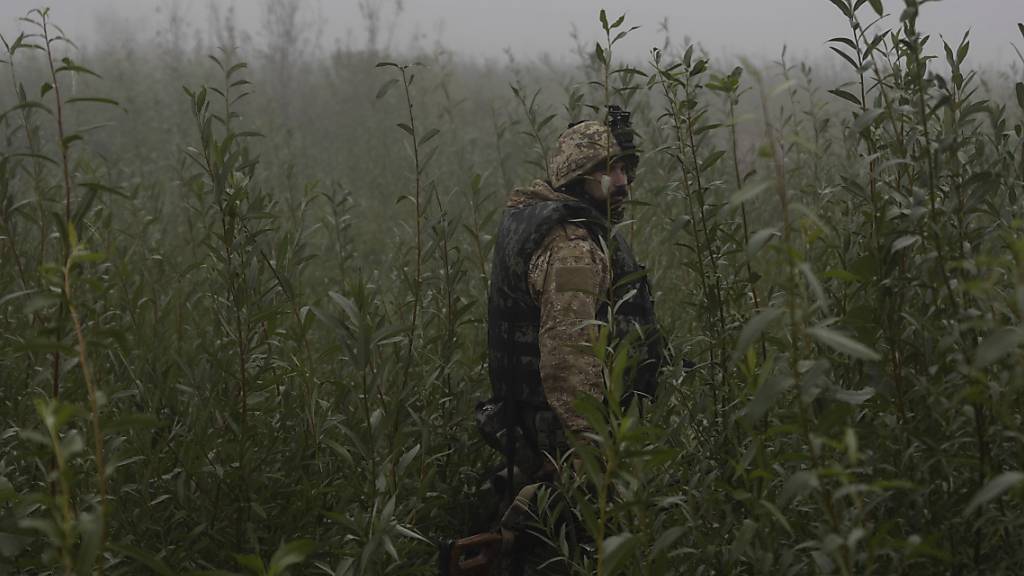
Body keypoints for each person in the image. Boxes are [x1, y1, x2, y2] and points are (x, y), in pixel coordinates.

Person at [473, 106, 663, 573]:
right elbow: (569, 352)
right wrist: (588, 446)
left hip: (538, 429)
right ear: (580, 177)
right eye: (609, 170)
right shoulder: (571, 243)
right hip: (561, 441)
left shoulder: (550, 224)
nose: (623, 183)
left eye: (625, 169)